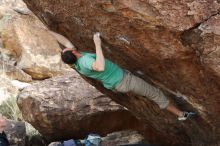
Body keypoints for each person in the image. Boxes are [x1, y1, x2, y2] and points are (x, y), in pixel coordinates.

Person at [49, 31, 195, 121]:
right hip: (125, 81)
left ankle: (180, 113)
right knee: (155, 94)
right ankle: (181, 115)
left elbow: (64, 40)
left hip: (119, 81)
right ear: (73, 52)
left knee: (150, 94)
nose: (66, 46)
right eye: (66, 49)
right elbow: (100, 66)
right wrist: (97, 44)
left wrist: (47, 31)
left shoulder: (76, 63)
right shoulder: (85, 61)